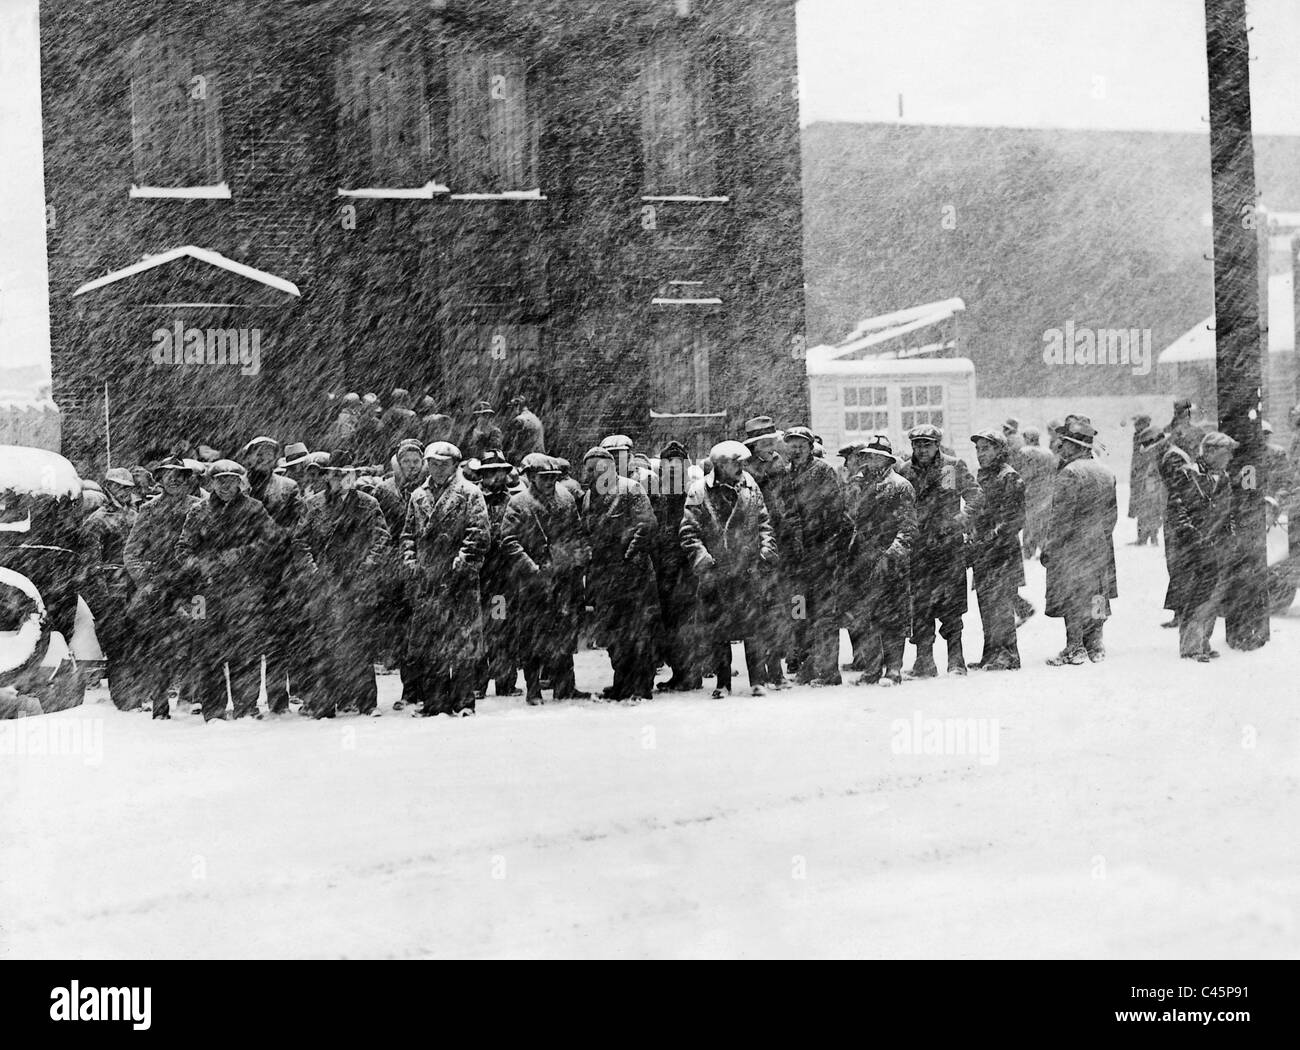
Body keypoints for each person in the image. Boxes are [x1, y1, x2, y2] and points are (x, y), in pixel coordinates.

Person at [178, 460, 279, 720]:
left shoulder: (254, 509)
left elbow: (271, 541)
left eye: (231, 480)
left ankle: (246, 707)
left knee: (246, 650)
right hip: (204, 593)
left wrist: (240, 555)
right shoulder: (198, 512)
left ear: (240, 482)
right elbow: (182, 550)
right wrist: (201, 565)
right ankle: (213, 711)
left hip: (245, 590)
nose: (225, 486)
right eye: (220, 480)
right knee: (208, 652)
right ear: (211, 482)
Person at [295, 450, 390, 717]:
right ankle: (324, 703)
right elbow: (300, 542)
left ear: (354, 476)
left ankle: (365, 702)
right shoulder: (313, 504)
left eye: (345, 474)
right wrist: (313, 570)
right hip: (324, 582)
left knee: (358, 644)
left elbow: (381, 539)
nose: (340, 479)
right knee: (323, 644)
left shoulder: (368, 504)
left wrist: (366, 568)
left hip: (356, 582)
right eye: (334, 475)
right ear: (326, 477)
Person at [679, 440, 778, 698]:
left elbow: (764, 522)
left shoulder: (749, 485)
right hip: (717, 571)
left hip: (747, 569)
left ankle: (758, 680)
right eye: (736, 462)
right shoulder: (699, 490)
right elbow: (688, 532)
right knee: (719, 631)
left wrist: (767, 550)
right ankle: (723, 683)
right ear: (721, 465)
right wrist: (703, 559)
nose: (741, 467)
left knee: (754, 627)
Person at [401, 441, 489, 717]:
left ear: (454, 465)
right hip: (428, 579)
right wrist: (410, 560)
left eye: (444, 464)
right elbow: (408, 535)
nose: (438, 469)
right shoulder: (418, 496)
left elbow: (479, 534)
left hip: (458, 580)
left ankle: (463, 702)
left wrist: (460, 562)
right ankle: (434, 702)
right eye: (433, 464)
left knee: (462, 643)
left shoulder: (470, 493)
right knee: (432, 645)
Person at [501, 454, 593, 703]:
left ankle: (565, 686)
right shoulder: (519, 502)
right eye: (544, 478)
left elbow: (576, 532)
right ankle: (533, 689)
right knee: (532, 636)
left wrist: (577, 560)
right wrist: (531, 567)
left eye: (553, 478)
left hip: (562, 578)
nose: (549, 482)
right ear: (530, 477)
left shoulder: (565, 497)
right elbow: (509, 541)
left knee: (563, 634)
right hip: (532, 581)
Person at [896, 424, 981, 677]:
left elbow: (976, 495)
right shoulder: (904, 470)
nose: (922, 450)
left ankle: (956, 660)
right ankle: (924, 661)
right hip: (919, 548)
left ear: (937, 445)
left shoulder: (951, 467)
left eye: (927, 445)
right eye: (917, 445)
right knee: (920, 606)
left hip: (948, 548)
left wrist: (963, 518)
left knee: (951, 606)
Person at [123, 457, 202, 718]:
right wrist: (148, 581)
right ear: (160, 479)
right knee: (161, 645)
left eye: (180, 474)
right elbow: (131, 553)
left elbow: (210, 544)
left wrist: (202, 573)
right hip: (160, 589)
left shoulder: (200, 508)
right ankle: (160, 704)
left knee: (199, 636)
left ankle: (194, 697)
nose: (175, 479)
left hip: (195, 587)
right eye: (169, 474)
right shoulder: (148, 510)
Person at [836, 435, 917, 686]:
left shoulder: (900, 485)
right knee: (866, 616)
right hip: (862, 558)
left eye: (878, 456)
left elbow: (908, 526)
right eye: (869, 456)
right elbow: (849, 519)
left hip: (890, 560)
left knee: (892, 617)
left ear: (888, 459)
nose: (873, 460)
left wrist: (892, 554)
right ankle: (872, 668)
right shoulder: (857, 484)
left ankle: (893, 669)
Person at [581, 445, 660, 701]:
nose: (593, 473)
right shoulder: (588, 497)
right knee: (614, 634)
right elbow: (587, 534)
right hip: (605, 576)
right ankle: (622, 682)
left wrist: (629, 558)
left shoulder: (631, 488)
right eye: (589, 469)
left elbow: (647, 525)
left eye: (598, 468)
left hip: (632, 575)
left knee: (638, 632)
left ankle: (642, 685)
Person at [239, 436, 306, 714]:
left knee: (280, 640)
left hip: (279, 572)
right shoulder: (235, 487)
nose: (264, 458)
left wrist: (276, 540)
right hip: (245, 575)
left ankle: (279, 700)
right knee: (247, 642)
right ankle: (247, 702)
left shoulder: (288, 488)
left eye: (270, 453)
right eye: (259, 453)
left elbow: (300, 526)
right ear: (248, 457)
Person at [1043, 416, 1118, 665]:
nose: (1060, 448)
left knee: (1072, 596)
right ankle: (1096, 643)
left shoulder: (1069, 473)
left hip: (1072, 546)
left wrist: (1050, 546)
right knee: (1098, 594)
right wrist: (1100, 536)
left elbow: (1061, 517)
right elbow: (1112, 516)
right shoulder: (1107, 472)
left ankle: (1075, 647)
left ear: (1075, 446)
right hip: (1099, 545)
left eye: (1064, 443)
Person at [782, 425, 847, 686]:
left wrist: (828, 549)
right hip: (795, 560)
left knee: (825, 615)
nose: (796, 449)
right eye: (792, 444)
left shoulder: (823, 471)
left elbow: (836, 512)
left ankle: (829, 670)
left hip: (821, 555)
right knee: (799, 613)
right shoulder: (783, 474)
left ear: (811, 447)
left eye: (801, 444)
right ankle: (806, 666)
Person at [1165, 432, 1237, 660]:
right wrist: (1194, 539)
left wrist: (1229, 539)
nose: (1230, 457)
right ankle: (1191, 647)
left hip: (1217, 546)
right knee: (1195, 596)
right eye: (1226, 452)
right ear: (1211, 451)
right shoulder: (1188, 473)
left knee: (1212, 596)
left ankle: (1204, 641)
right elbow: (1177, 510)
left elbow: (1227, 513)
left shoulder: (1223, 476)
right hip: (1193, 547)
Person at [80, 467, 143, 710]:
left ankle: (138, 692)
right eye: (119, 487)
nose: (124, 492)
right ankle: (126, 698)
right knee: (119, 647)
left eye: (128, 488)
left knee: (137, 643)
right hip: (111, 593)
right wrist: (102, 597)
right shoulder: (97, 520)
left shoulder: (136, 515)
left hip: (136, 589)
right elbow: (91, 564)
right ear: (109, 487)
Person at [742, 419, 796, 689]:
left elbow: (788, 506)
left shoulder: (780, 467)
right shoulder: (743, 470)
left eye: (771, 443)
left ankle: (776, 669)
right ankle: (760, 673)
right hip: (753, 548)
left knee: (780, 612)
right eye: (763, 444)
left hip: (779, 547)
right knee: (757, 613)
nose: (769, 448)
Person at [969, 429, 1026, 671]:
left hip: (1002, 552)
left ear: (1000, 451)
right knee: (986, 604)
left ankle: (1008, 654)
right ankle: (990, 652)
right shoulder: (984, 476)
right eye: (978, 449)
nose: (981, 454)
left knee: (1001, 605)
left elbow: (1014, 519)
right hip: (984, 550)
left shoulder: (1009, 477)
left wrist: (992, 536)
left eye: (986, 448)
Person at [649, 440, 702, 691]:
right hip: (664, 570)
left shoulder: (693, 495)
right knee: (670, 624)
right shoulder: (658, 497)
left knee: (685, 624)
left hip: (686, 570)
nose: (672, 471)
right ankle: (682, 672)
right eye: (667, 466)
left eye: (677, 466)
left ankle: (689, 674)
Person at [474, 450, 523, 698]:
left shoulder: (514, 500)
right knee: (476, 631)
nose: (496, 477)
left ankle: (505, 682)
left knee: (500, 629)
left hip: (502, 581)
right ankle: (476, 684)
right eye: (491, 473)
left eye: (500, 472)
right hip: (477, 578)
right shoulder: (473, 498)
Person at [1159, 402, 1202, 628]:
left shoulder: (1178, 434)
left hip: (1183, 504)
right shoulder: (1175, 433)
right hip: (1181, 504)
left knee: (1181, 562)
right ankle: (1181, 611)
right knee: (1178, 562)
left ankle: (1184, 612)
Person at [1013, 426, 1055, 560]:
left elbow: (1024, 473)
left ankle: (1028, 551)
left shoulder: (1025, 452)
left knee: (1029, 523)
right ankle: (1045, 548)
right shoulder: (1048, 453)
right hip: (1047, 492)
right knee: (1043, 523)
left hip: (1031, 492)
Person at [1128, 413, 1163, 545]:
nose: (1135, 426)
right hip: (1141, 477)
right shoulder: (1139, 436)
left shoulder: (1147, 437)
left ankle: (1149, 536)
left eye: (1137, 423)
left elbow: (1146, 458)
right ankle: (1146, 536)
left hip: (1147, 477)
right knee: (1145, 507)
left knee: (1149, 507)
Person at [503, 394, 545, 464]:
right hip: (540, 459)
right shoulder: (535, 418)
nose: (509, 412)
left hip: (525, 460)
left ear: (517, 406)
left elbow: (513, 444)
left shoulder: (519, 420)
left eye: (511, 408)